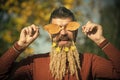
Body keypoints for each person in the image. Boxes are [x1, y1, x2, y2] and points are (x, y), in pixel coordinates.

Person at [0, 7, 120, 80]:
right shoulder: (34, 63)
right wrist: (20, 46)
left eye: (69, 27)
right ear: (49, 34)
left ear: (76, 32)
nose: (62, 32)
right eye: (56, 28)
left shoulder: (90, 62)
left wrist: (101, 40)